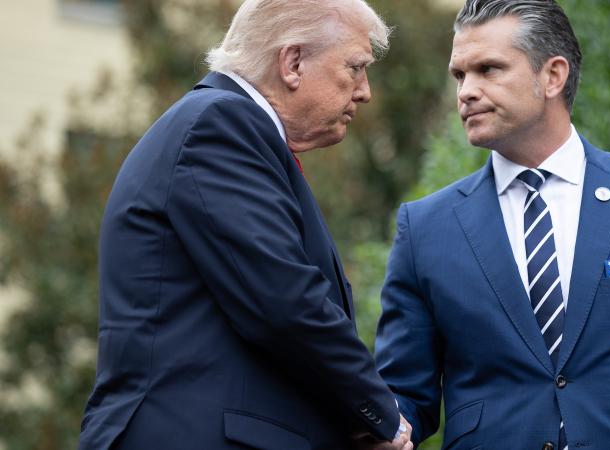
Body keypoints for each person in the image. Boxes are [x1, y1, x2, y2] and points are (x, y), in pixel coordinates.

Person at [374, 1, 610, 449]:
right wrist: (381, 428)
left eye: (488, 69)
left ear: (553, 76)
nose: (465, 91)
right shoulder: (424, 228)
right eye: (460, 75)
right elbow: (405, 393)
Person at [78, 1, 412, 449]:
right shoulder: (220, 124)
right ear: (292, 62)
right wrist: (383, 417)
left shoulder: (222, 128)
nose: (365, 91)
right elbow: (285, 301)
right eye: (355, 67)